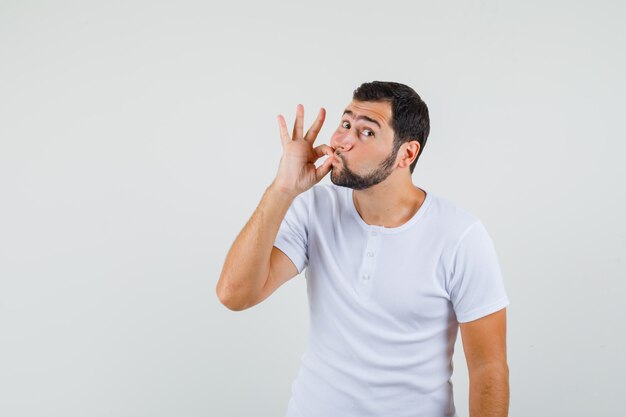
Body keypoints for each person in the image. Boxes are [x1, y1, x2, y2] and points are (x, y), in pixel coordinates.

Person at [216, 81, 510, 417]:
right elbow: (234, 295)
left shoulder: (460, 236)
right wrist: (282, 189)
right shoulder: (315, 208)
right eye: (345, 124)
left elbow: (489, 367)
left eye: (366, 132)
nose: (341, 141)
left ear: (407, 153)